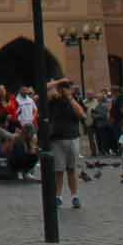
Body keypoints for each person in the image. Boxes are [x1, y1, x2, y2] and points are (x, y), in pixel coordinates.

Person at [43, 80, 88, 209]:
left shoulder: (74, 101)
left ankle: (74, 196)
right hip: (57, 139)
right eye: (62, 88)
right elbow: (43, 87)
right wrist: (58, 82)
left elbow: (82, 115)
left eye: (66, 88)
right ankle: (58, 197)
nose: (64, 90)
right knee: (58, 170)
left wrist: (70, 98)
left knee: (71, 169)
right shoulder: (53, 101)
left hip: (72, 138)